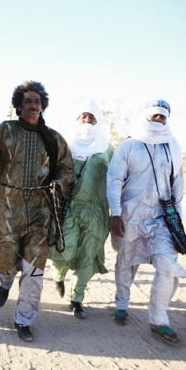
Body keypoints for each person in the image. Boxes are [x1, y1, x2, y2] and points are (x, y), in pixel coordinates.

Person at [0, 80, 74, 342]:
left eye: (37, 101)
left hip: (40, 213)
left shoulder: (53, 138)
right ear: (19, 105)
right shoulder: (5, 131)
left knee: (34, 269)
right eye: (28, 101)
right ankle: (6, 283)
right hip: (6, 211)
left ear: (43, 106)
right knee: (6, 262)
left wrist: (59, 181)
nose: (33, 105)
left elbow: (66, 168)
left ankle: (24, 319)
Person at [106, 98, 186, 344]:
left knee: (167, 266)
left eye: (162, 116)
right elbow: (114, 179)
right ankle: (122, 303)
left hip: (161, 220)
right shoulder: (130, 146)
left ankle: (159, 319)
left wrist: (178, 223)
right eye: (154, 115)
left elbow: (178, 185)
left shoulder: (172, 146)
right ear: (145, 116)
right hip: (130, 216)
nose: (158, 119)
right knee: (127, 262)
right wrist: (116, 213)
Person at [48, 98, 114, 319]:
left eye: (91, 116)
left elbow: (118, 179)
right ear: (77, 119)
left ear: (97, 121)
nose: (87, 119)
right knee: (63, 253)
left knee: (87, 257)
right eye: (83, 115)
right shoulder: (65, 146)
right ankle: (58, 275)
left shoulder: (107, 149)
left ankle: (77, 299)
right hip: (70, 209)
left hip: (96, 212)